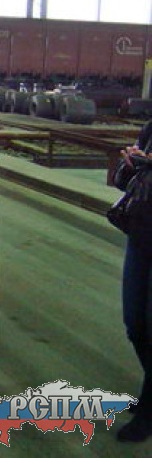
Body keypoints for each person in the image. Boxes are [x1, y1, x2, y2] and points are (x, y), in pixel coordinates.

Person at [114, 122, 152, 442]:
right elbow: (123, 183)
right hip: (141, 235)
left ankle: (149, 410)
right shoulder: (151, 128)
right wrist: (130, 165)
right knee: (135, 324)